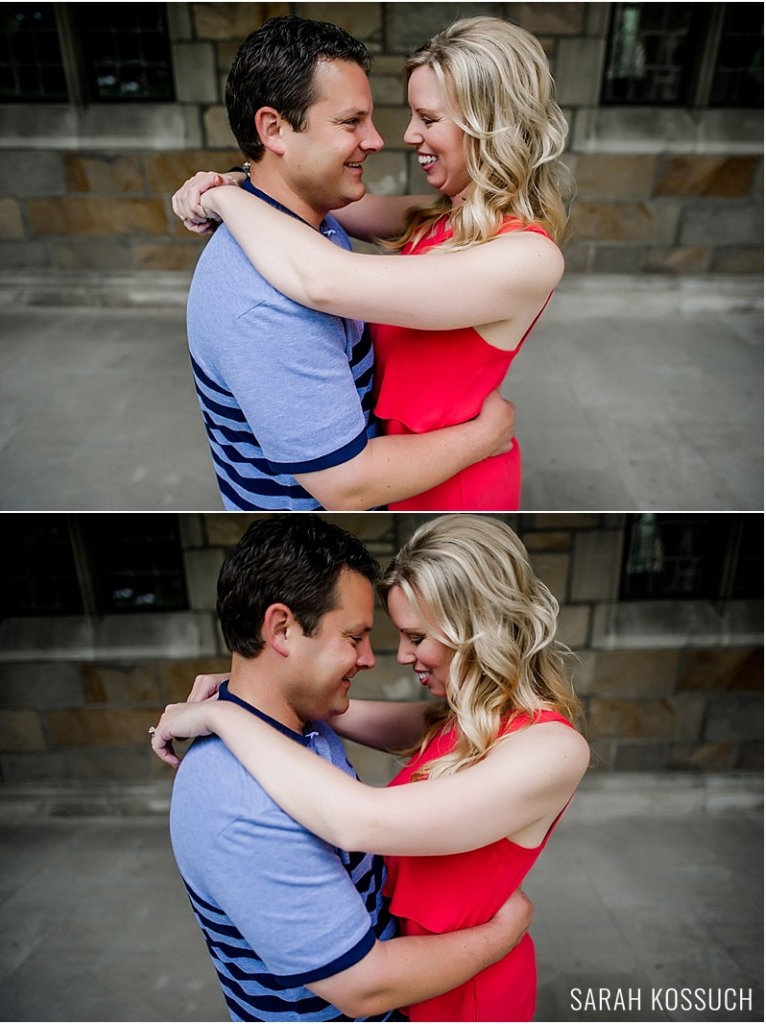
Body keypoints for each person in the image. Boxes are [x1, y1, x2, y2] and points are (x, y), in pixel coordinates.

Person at [153, 514, 591, 1022]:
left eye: (415, 635)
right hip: (417, 982)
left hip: (463, 995)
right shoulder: (460, 724)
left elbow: (361, 819)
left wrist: (224, 711)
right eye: (358, 636)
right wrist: (242, 691)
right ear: (281, 629)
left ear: (475, 630)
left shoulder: (549, 749)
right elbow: (322, 710)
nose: (396, 656)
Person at [174, 16, 571, 511]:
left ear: (488, 125)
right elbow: (304, 193)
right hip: (399, 477)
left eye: (427, 119)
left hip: (452, 485)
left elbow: (322, 275)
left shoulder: (526, 257)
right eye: (352, 121)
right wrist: (239, 179)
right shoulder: (444, 217)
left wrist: (222, 200)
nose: (401, 136)